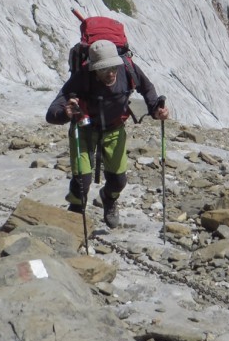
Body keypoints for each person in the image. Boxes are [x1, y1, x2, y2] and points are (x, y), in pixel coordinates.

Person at [45, 39, 169, 228]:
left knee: (118, 181)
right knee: (81, 182)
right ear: (94, 68)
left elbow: (147, 89)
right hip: (84, 129)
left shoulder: (128, 68)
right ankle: (76, 213)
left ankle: (108, 198)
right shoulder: (82, 76)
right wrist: (64, 113)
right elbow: (52, 113)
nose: (110, 73)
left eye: (113, 67)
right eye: (104, 69)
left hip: (114, 129)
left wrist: (155, 110)